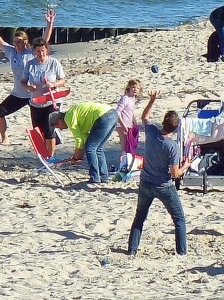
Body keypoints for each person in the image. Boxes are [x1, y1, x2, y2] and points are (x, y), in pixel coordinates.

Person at [127, 91, 190, 256]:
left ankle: (132, 250)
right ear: (176, 128)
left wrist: (152, 100)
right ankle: (181, 252)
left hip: (145, 182)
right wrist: (186, 166)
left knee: (139, 217)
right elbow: (175, 174)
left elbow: (144, 117)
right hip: (163, 186)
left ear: (163, 123)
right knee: (179, 220)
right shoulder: (172, 146)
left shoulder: (152, 132)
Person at [0, 9, 55, 143]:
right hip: (18, 94)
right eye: (15, 42)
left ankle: (50, 140)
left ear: (26, 42)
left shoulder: (32, 52)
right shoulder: (12, 52)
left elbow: (45, 40)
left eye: (19, 42)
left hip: (35, 95)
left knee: (39, 127)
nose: (16, 44)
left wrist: (49, 24)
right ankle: (5, 138)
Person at [49, 101, 119, 185]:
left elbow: (79, 140)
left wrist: (74, 158)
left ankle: (95, 177)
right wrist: (78, 158)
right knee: (98, 148)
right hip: (113, 114)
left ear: (59, 121)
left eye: (58, 126)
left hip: (103, 116)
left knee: (91, 148)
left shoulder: (68, 118)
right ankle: (103, 177)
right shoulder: (77, 118)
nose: (61, 129)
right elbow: (84, 141)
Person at [22, 37, 67, 154]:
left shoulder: (53, 62)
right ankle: (43, 154)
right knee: (38, 130)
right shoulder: (30, 64)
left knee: (49, 129)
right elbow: (23, 81)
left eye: (43, 50)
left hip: (51, 101)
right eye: (38, 51)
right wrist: (29, 87)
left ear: (46, 50)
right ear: (34, 51)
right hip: (35, 102)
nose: (41, 53)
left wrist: (53, 84)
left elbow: (62, 80)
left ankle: (51, 156)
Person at [116, 79, 143, 156]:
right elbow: (117, 112)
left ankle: (128, 162)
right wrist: (123, 125)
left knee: (130, 145)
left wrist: (134, 123)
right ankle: (124, 164)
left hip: (129, 124)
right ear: (129, 88)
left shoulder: (132, 98)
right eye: (133, 87)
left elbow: (131, 112)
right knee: (125, 147)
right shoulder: (125, 98)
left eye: (137, 88)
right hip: (121, 125)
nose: (135, 90)